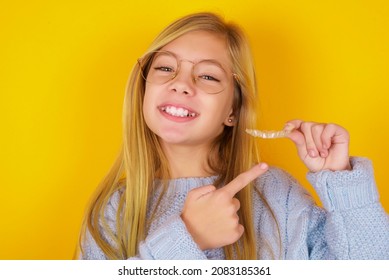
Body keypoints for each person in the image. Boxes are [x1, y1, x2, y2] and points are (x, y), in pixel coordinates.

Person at [76, 12, 389, 260]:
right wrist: (187, 237)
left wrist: (343, 185)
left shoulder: (278, 195)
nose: (181, 83)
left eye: (208, 75)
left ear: (233, 111)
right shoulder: (112, 211)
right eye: (165, 68)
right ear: (144, 89)